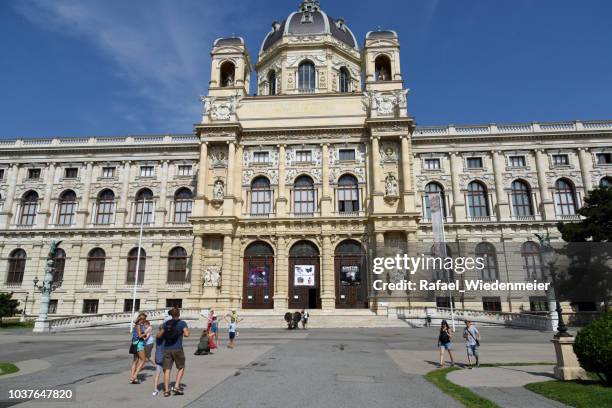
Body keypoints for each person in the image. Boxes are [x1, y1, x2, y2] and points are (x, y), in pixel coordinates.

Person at [157, 308, 190, 397]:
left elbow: (159, 335)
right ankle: (176, 386)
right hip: (178, 348)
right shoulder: (182, 323)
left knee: (167, 370)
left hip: (167, 349)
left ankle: (166, 391)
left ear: (171, 315)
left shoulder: (166, 324)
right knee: (181, 367)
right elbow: (187, 334)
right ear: (179, 314)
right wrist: (183, 332)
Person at [152, 315, 172, 396]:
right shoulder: (165, 337)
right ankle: (167, 386)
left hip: (158, 355)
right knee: (166, 372)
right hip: (164, 356)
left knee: (158, 373)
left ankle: (155, 389)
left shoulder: (157, 336)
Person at [129, 313, 147, 384]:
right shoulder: (139, 325)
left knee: (135, 361)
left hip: (134, 343)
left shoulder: (136, 325)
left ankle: (132, 377)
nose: (144, 320)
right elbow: (140, 336)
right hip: (139, 344)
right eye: (144, 319)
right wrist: (146, 333)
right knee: (143, 360)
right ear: (141, 319)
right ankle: (134, 376)